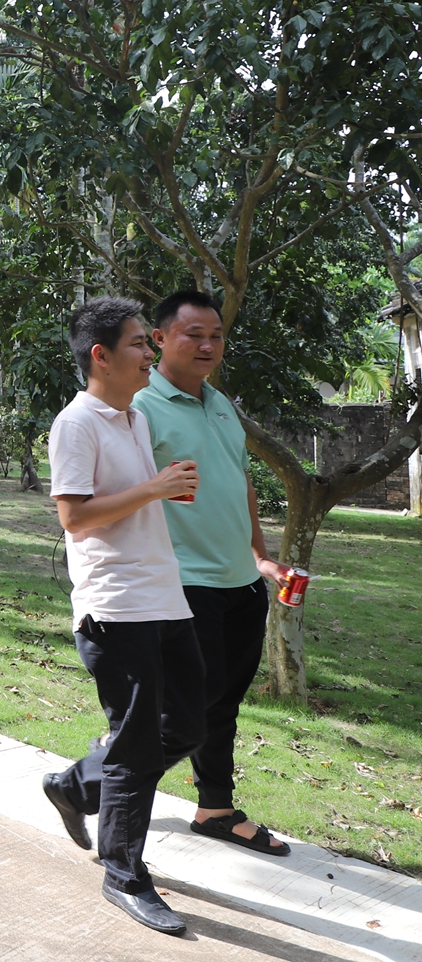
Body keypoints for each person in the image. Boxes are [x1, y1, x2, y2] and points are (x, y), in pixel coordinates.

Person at [40, 296, 204, 936]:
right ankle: (124, 873)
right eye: (140, 343)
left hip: (164, 596)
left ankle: (79, 786)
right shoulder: (75, 424)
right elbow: (75, 517)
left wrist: (158, 488)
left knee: (187, 723)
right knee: (135, 744)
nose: (150, 351)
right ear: (101, 356)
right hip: (115, 606)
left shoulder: (132, 419)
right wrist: (155, 488)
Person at [136, 289, 291, 857]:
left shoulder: (221, 404)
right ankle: (96, 780)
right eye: (192, 334)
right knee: (184, 710)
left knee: (221, 704)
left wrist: (260, 556)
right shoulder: (139, 409)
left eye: (216, 335)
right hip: (183, 583)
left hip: (240, 585)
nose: (206, 345)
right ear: (159, 339)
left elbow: (239, 482)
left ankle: (215, 808)